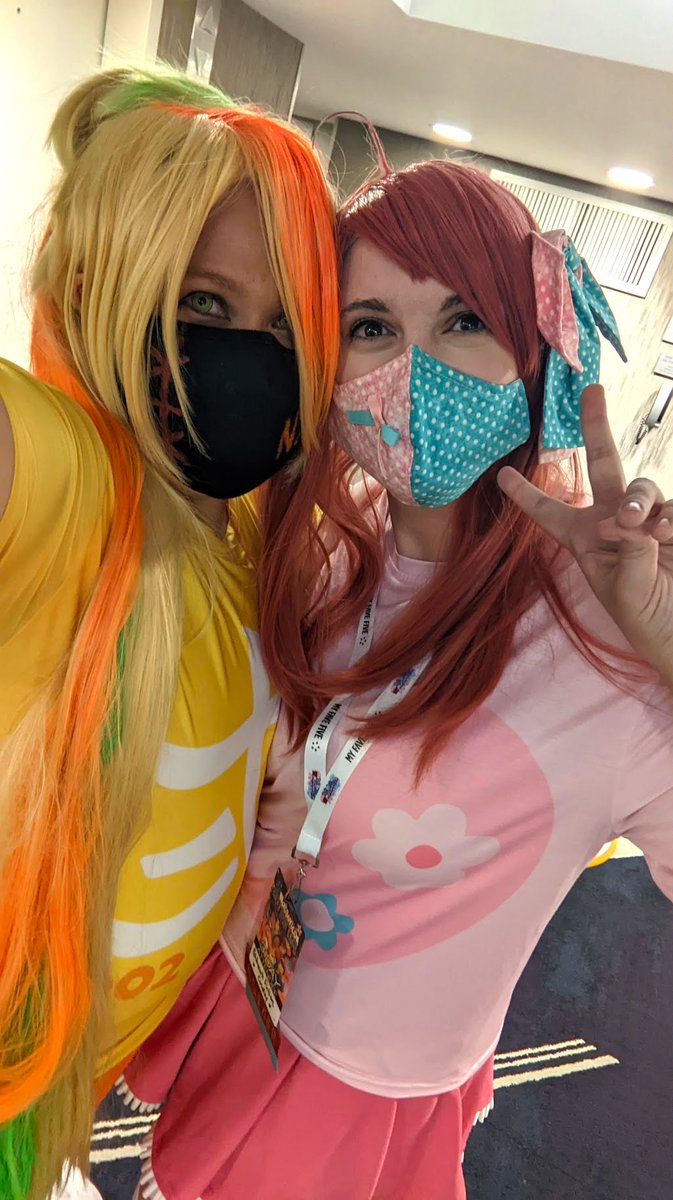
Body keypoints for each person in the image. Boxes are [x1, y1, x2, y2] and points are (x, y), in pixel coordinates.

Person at [120, 156, 673, 1200]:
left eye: (464, 319)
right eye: (371, 327)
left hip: (375, 1076)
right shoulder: (324, 554)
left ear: (534, 347)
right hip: (250, 983)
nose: (414, 370)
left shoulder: (608, 644)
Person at [0, 66, 338, 1200]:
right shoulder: (78, 488)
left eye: (285, 325)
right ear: (104, 291)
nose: (253, 355)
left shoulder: (245, 531)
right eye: (202, 307)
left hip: (71, 1086)